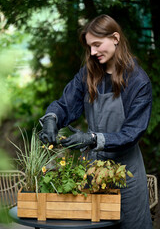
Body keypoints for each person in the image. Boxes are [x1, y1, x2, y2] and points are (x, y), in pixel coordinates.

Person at [39, 14, 152, 229]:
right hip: (91, 171)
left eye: (97, 45)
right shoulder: (88, 74)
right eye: (90, 47)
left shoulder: (138, 81)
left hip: (126, 175)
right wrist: (51, 119)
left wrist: (92, 138)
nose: (92, 52)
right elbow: (65, 104)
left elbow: (132, 133)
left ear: (116, 38)